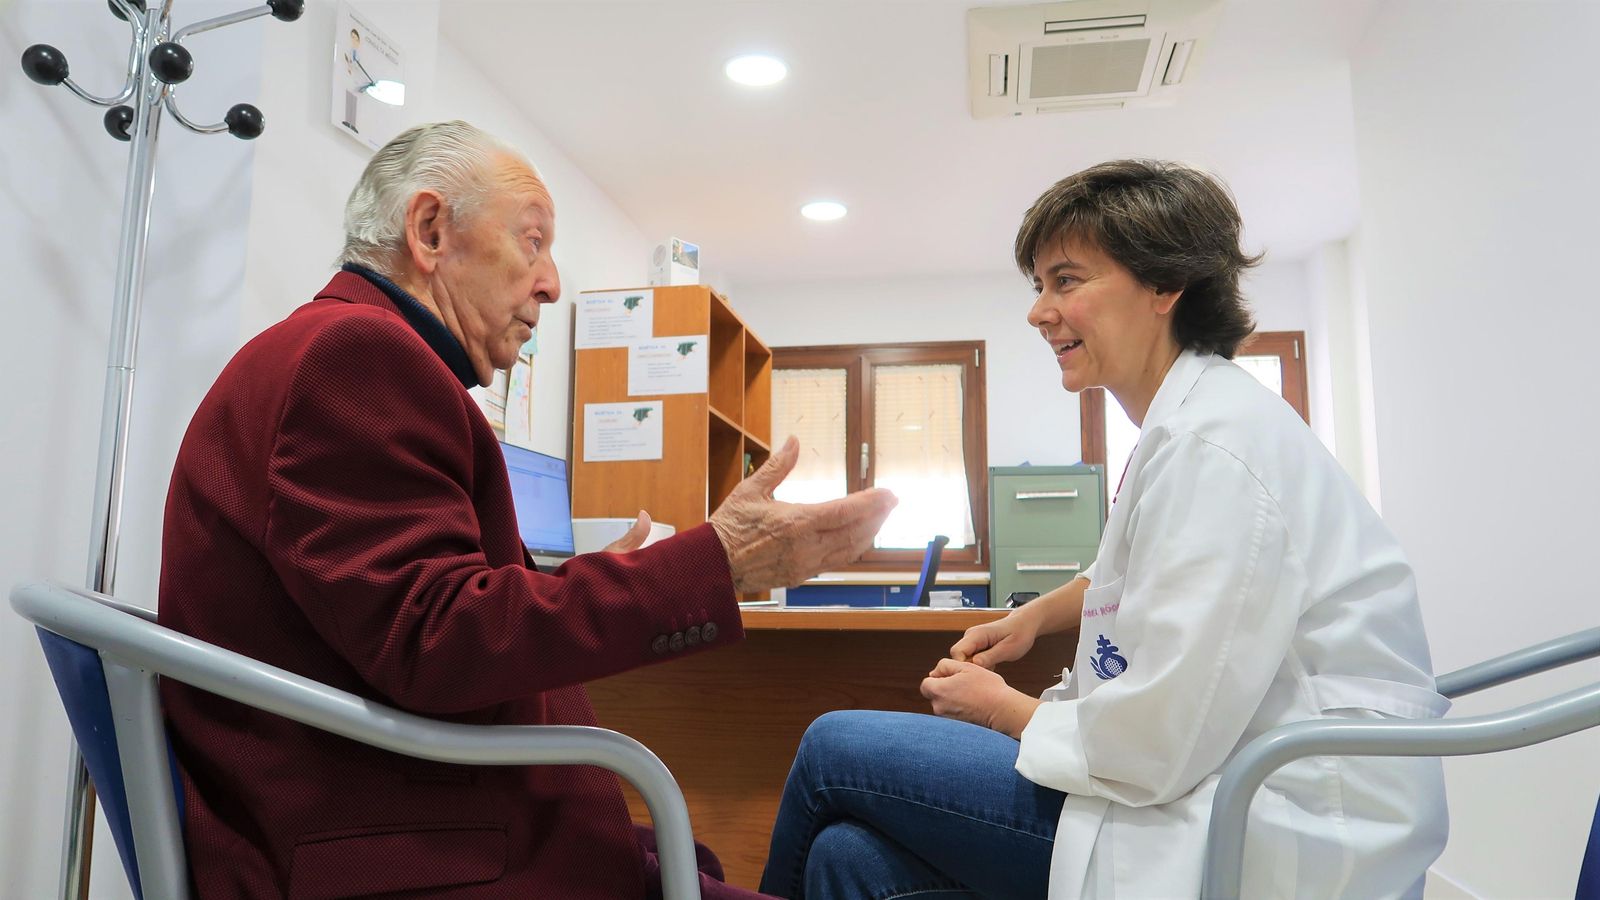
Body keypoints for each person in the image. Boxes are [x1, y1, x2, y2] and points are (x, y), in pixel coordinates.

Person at [157, 120, 896, 899]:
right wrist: (717, 561)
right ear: (430, 230)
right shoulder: (356, 355)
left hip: (418, 825)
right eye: (533, 241)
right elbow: (435, 640)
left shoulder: (343, 350)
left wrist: (595, 579)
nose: (551, 283)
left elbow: (408, 617)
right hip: (406, 859)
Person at [759, 160, 1449, 899]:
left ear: (1164, 284)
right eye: (1039, 285)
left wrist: (1005, 709)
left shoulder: (1215, 447)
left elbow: (1158, 742)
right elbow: (1138, 573)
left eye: (1066, 281)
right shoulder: (1192, 423)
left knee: (832, 750)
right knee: (846, 858)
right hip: (1208, 786)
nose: (1039, 311)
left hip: (1268, 826)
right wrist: (1033, 617)